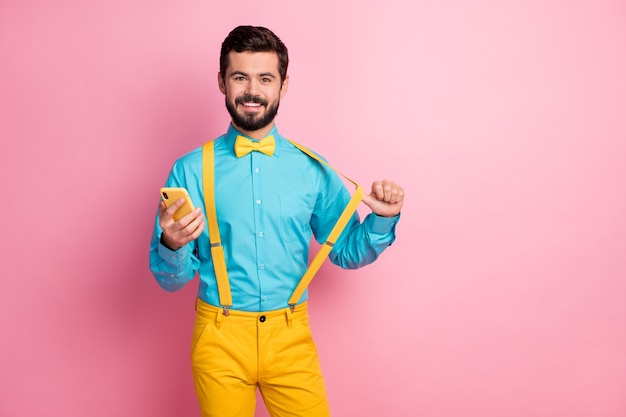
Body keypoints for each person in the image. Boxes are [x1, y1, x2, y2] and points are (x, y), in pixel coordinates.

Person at [149, 25, 404, 417]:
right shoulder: (189, 172)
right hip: (219, 336)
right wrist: (172, 245)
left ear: (283, 85)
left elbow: (347, 252)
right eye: (240, 77)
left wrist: (381, 221)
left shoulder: (312, 170)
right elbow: (171, 280)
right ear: (222, 82)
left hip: (291, 337)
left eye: (265, 78)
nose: (252, 91)